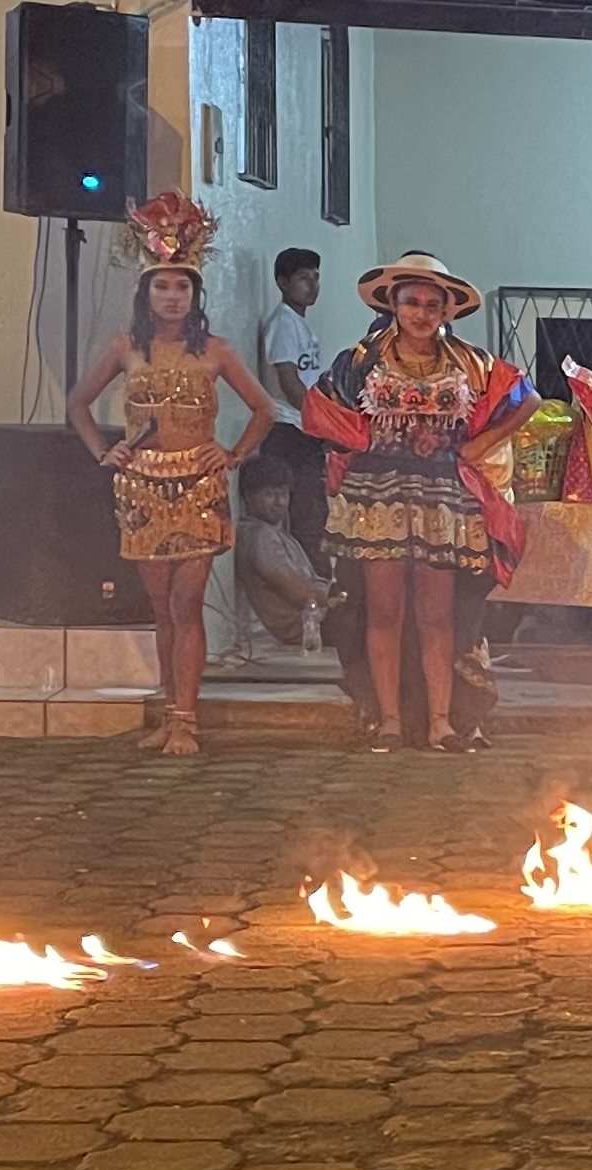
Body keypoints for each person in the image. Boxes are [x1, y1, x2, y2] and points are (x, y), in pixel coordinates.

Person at [67, 194, 276, 757]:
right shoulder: (125, 348)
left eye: (182, 287)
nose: (172, 296)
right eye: (162, 286)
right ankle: (169, 712)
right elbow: (79, 403)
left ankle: (187, 720)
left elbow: (265, 409)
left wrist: (232, 455)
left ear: (195, 294)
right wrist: (104, 452)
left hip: (199, 486)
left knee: (187, 604)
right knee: (161, 609)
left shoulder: (216, 351)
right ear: (146, 292)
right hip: (141, 486)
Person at [299, 253, 527, 754]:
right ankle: (390, 721)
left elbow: (525, 397)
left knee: (437, 613)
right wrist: (357, 443)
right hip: (376, 495)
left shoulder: (470, 362)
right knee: (383, 610)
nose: (421, 313)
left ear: (446, 310)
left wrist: (482, 445)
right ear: (394, 305)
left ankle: (441, 723)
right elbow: (318, 408)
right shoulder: (360, 361)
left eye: (431, 304)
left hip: (441, 496)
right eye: (411, 302)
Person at [252, 245, 330, 569]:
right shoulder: (284, 323)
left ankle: (315, 580)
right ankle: (311, 584)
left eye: (315, 278)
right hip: (288, 430)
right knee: (305, 515)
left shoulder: (299, 323)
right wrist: (322, 424)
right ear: (283, 283)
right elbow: (289, 380)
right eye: (303, 278)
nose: (312, 285)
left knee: (312, 513)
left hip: (302, 427)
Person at [232, 471, 325, 649]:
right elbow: (298, 593)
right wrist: (342, 596)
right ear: (248, 496)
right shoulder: (260, 536)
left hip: (309, 620)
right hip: (293, 628)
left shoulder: (275, 532)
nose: (279, 502)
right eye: (270, 494)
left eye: (284, 494)